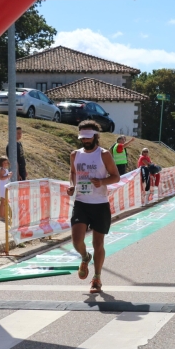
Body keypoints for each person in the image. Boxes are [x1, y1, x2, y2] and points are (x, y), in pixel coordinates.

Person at [67, 120, 120, 293]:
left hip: (99, 204)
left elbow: (116, 176)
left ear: (95, 136)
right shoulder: (75, 154)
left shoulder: (104, 154)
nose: (85, 140)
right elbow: (73, 172)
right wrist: (72, 185)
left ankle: (97, 278)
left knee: (98, 242)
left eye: (88, 137)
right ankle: (85, 256)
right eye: (83, 137)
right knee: (77, 240)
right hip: (81, 202)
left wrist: (102, 182)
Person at [0, 156, 13, 222]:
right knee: (3, 201)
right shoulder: (2, 170)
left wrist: (8, 175)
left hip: (5, 186)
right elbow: (1, 178)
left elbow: (5, 177)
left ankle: (4, 215)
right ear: (1, 163)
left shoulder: (5, 169)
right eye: (4, 163)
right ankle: (1, 216)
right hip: (3, 186)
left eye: (7, 163)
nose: (6, 164)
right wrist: (8, 176)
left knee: (5, 202)